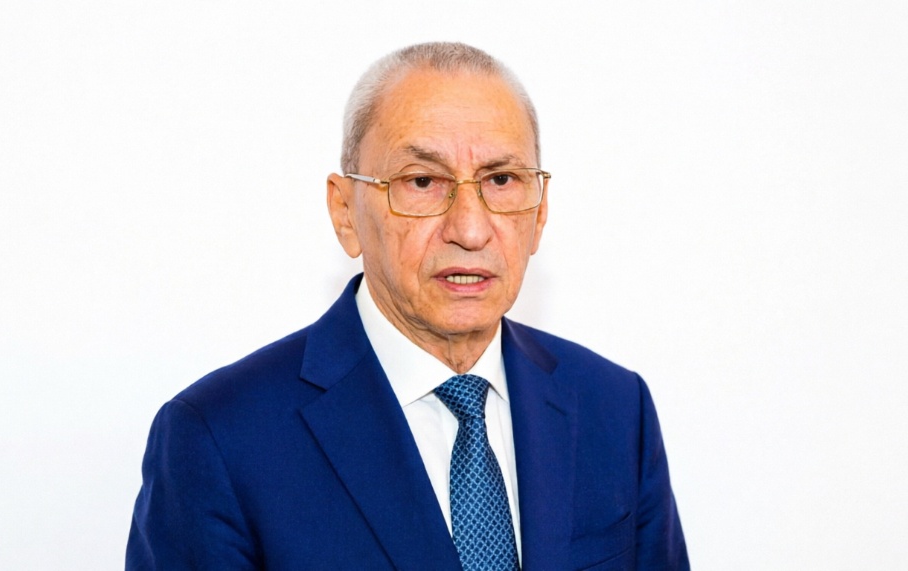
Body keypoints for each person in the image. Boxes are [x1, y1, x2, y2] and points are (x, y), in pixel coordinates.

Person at [126, 41, 688, 570]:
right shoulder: (220, 438)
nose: (470, 229)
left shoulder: (614, 408)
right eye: (422, 181)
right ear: (345, 212)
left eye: (501, 179)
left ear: (540, 213)